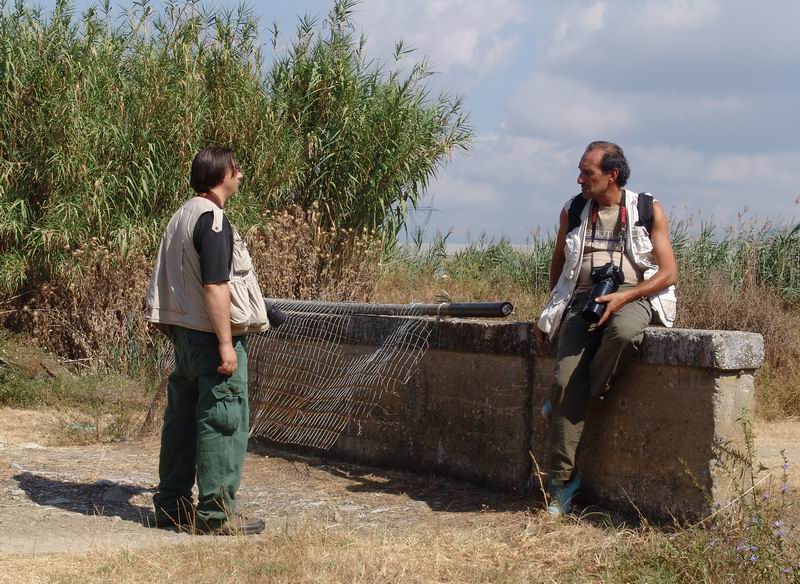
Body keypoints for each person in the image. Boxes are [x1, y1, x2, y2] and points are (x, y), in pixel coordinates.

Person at [533, 141, 677, 516]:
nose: (579, 179)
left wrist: (623, 298)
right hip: (582, 298)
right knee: (565, 380)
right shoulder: (575, 209)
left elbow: (668, 273)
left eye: (587, 173)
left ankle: (573, 400)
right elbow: (559, 261)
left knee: (625, 334)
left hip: (633, 295)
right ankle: (563, 483)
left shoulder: (647, 209)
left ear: (611, 175)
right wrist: (552, 308)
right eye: (580, 171)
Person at [146, 146, 270, 534]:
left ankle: (171, 507)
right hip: (209, 336)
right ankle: (216, 516)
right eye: (237, 168)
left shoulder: (181, 215)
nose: (241, 175)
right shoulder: (214, 218)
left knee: (181, 422)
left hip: (183, 336)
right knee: (223, 422)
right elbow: (215, 286)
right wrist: (225, 345)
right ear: (223, 174)